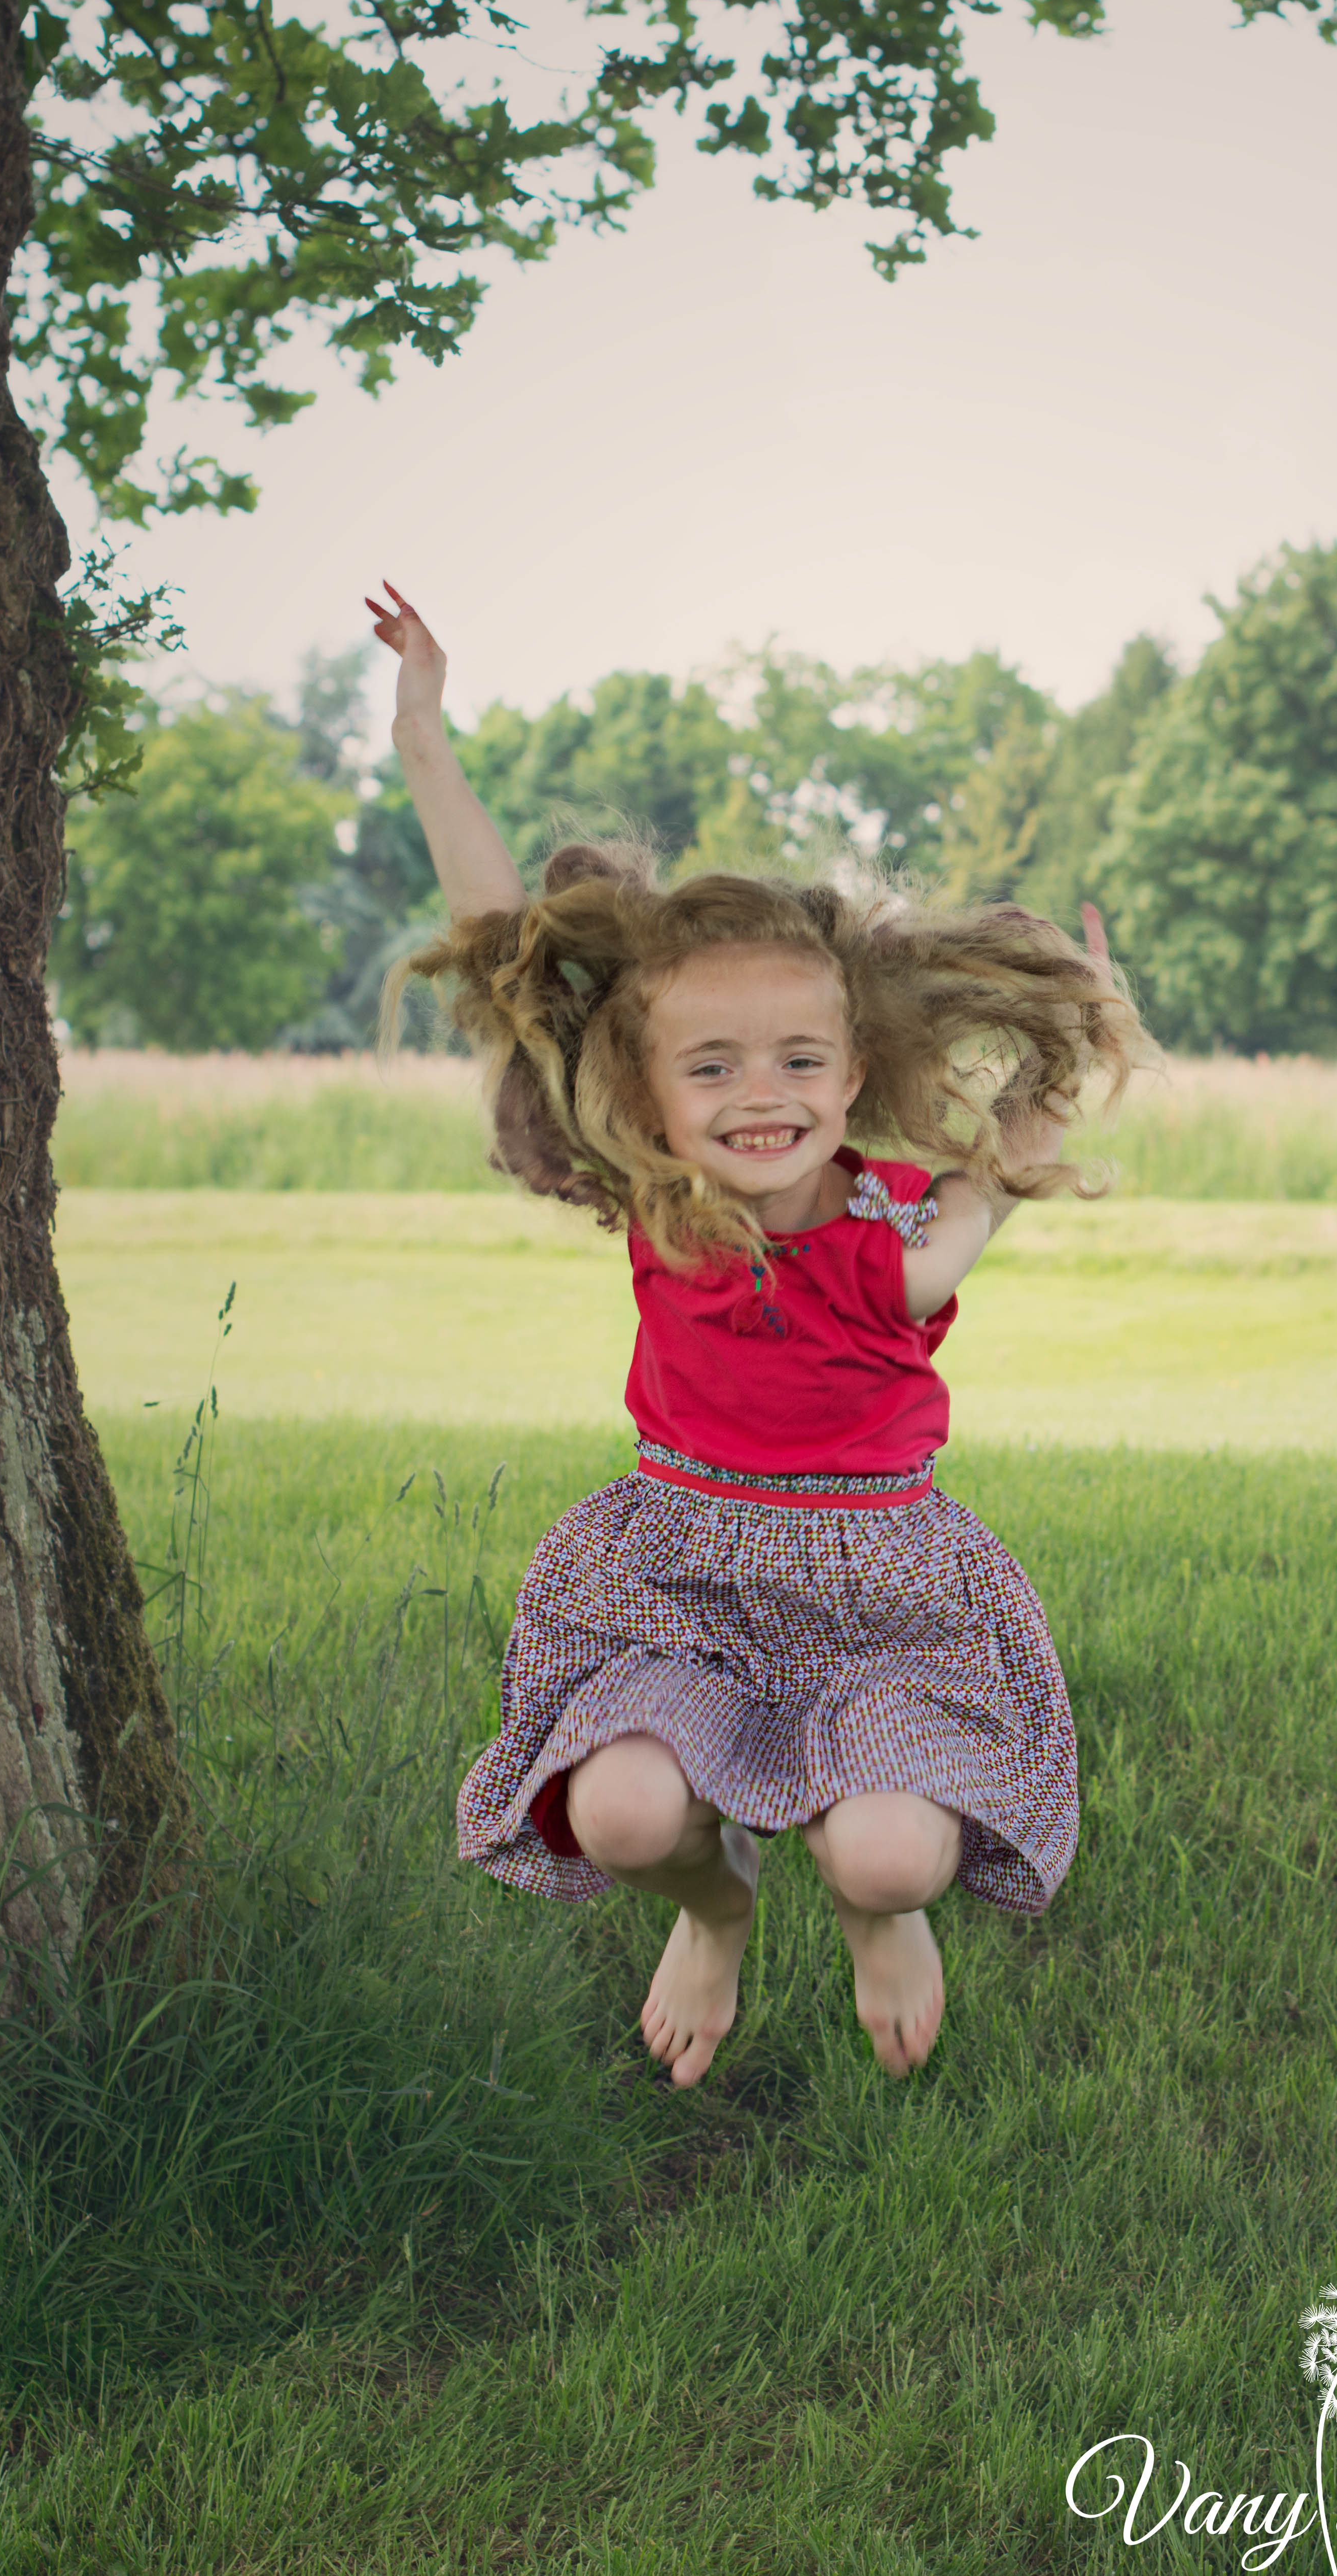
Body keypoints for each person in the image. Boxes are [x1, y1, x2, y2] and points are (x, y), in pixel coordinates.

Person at [367, 580, 1144, 2089]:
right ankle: (713, 1910)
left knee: (888, 1849)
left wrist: (1077, 1032)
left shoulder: (894, 1245)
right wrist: (421, 733)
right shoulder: (665, 1206)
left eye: (798, 1056)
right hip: (678, 1579)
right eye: (711, 1064)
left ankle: (872, 1918)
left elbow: (1006, 1168)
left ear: (856, 1073)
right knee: (625, 1813)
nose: (758, 1093)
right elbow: (502, 948)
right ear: (649, 1095)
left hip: (882, 1604)